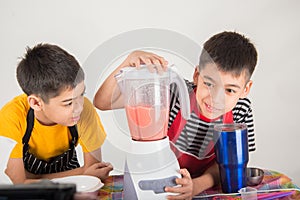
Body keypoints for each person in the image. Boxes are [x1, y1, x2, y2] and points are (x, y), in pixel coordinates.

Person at [94, 31, 258, 199]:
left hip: (208, 186)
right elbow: (102, 102)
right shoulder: (172, 93)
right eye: (209, 84)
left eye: (229, 90)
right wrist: (127, 62)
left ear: (245, 89)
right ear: (196, 75)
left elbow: (231, 164)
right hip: (165, 184)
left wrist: (196, 186)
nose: (216, 98)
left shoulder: (241, 110)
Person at [0, 43, 113, 184]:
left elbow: (94, 171)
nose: (78, 107)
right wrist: (81, 172)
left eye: (81, 94)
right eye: (68, 103)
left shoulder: (84, 110)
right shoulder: (12, 117)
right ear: (36, 103)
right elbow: (18, 183)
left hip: (73, 188)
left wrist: (33, 178)